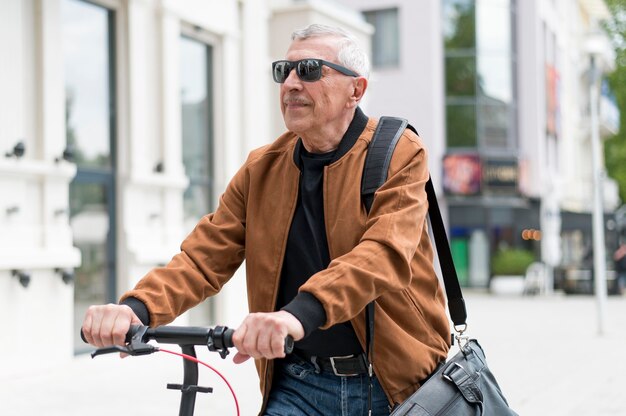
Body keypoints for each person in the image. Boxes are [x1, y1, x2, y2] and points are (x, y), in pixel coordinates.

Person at [81, 24, 450, 415]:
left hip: (398, 386)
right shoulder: (262, 169)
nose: (290, 83)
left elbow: (384, 254)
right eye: (283, 71)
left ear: (355, 91)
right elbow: (201, 259)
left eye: (308, 70)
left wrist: (295, 316)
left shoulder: (397, 151)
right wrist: (135, 310)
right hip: (298, 386)